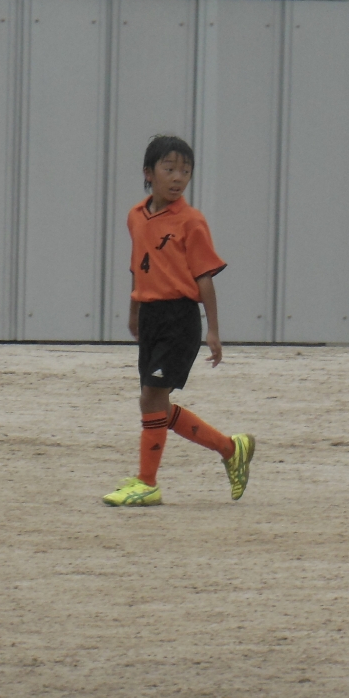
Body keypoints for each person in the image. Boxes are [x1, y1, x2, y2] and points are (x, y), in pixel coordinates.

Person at [103, 134, 254, 507]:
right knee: (154, 404)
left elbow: (204, 277)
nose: (178, 178)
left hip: (179, 319)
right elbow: (139, 266)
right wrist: (135, 311)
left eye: (185, 171)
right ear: (148, 173)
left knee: (152, 397)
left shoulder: (191, 221)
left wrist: (213, 330)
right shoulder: (135, 216)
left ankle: (147, 483)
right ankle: (230, 448)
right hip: (152, 317)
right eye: (169, 169)